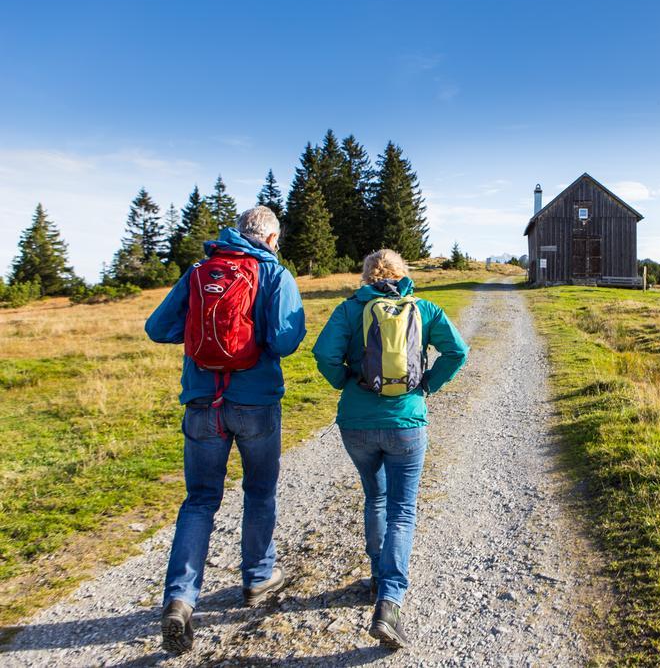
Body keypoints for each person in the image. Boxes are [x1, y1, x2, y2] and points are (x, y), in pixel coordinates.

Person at [145, 206, 306, 655]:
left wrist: (200, 334)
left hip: (201, 402)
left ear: (239, 231)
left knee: (199, 501)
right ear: (272, 238)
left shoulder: (200, 270)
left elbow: (157, 328)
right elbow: (285, 341)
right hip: (255, 403)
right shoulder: (274, 273)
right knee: (258, 491)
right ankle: (257, 578)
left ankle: (179, 599)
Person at [312, 249, 468, 648]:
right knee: (403, 509)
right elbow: (458, 352)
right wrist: (428, 383)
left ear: (366, 276)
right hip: (407, 423)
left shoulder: (350, 309)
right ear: (403, 275)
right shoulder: (425, 309)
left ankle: (379, 578)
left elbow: (323, 354)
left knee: (375, 497)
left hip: (357, 422)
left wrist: (344, 381)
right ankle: (390, 603)